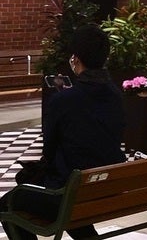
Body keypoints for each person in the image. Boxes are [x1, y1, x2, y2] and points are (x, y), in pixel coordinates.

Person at [1, 24, 125, 240]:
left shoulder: (63, 101)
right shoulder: (115, 94)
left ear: (75, 58)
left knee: (7, 204)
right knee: (72, 202)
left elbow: (49, 150)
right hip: (106, 188)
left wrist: (62, 100)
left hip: (69, 191)